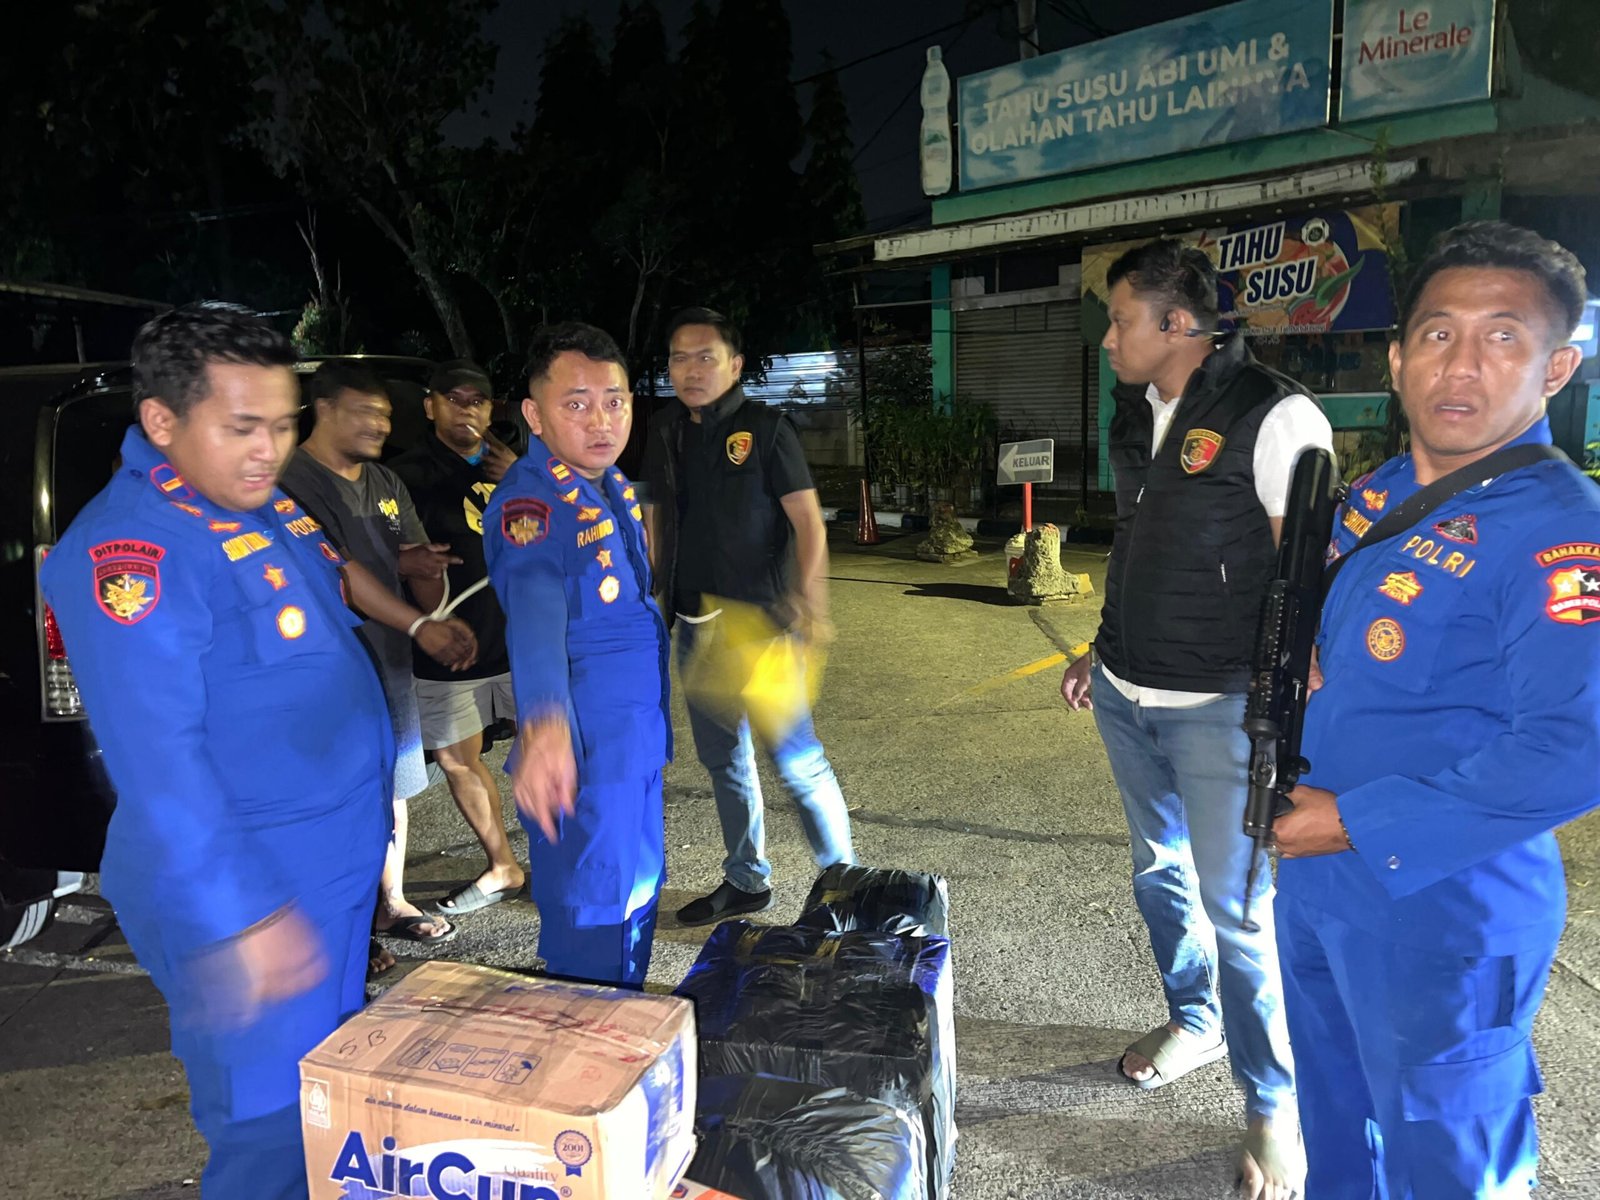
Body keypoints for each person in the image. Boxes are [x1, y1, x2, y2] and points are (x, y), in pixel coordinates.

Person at [37, 303, 394, 1197]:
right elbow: (157, 764)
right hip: (246, 886)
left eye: (282, 424)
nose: (270, 450)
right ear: (162, 420)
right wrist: (243, 916)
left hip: (325, 860)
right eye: (243, 427)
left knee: (321, 1104)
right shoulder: (133, 551)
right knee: (267, 1131)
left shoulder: (253, 502)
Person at [1273, 220, 1600, 1198]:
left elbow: (1576, 746)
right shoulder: (1374, 497)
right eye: (1437, 333)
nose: (1461, 365)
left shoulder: (1561, 534)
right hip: (1318, 888)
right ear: (1396, 357)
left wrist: (1352, 823)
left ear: (1556, 368)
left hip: (1444, 910)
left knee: (1449, 1163)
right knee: (1336, 1128)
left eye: (1502, 337)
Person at [1058, 239, 1332, 1198]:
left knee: (1240, 914)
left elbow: (1303, 569)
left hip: (1222, 707)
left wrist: (1293, 689)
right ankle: (1196, 1019)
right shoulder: (1137, 412)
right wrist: (1100, 648)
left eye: (1120, 319)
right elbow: (1139, 544)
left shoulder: (1275, 414)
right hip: (1128, 690)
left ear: (1177, 324)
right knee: (1158, 873)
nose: (1107, 340)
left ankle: (1273, 1104)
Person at [641, 306, 853, 926]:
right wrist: (651, 596)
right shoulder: (663, 429)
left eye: (705, 357)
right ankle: (746, 879)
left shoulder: (766, 428)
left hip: (762, 628)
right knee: (724, 762)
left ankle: (846, 890)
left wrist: (811, 603)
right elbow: (655, 516)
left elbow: (808, 522)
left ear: (734, 366)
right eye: (679, 358)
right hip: (695, 624)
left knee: (798, 763)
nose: (690, 370)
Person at [484, 322, 670, 987]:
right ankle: (588, 1036)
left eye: (614, 401)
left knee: (635, 902)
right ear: (534, 416)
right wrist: (543, 723)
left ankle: (625, 1027)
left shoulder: (606, 482)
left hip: (632, 744)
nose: (602, 420)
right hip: (583, 756)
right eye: (577, 403)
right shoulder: (531, 501)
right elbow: (533, 611)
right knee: (593, 919)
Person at [279, 362, 469, 958]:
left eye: (385, 415)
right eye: (365, 413)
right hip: (326, 671)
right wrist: (421, 625)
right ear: (324, 409)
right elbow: (340, 575)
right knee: (338, 797)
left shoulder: (385, 483)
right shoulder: (292, 481)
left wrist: (427, 576)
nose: (380, 426)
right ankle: (340, 929)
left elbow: (410, 569)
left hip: (389, 662)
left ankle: (391, 902)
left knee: (393, 787)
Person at [390, 360, 525, 916]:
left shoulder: (521, 465)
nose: (466, 410)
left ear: (492, 409)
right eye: (453, 398)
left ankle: (561, 858)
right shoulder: (403, 474)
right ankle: (503, 865)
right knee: (457, 758)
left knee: (549, 749)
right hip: (450, 643)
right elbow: (379, 553)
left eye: (478, 400)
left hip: (522, 638)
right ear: (430, 406)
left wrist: (521, 478)